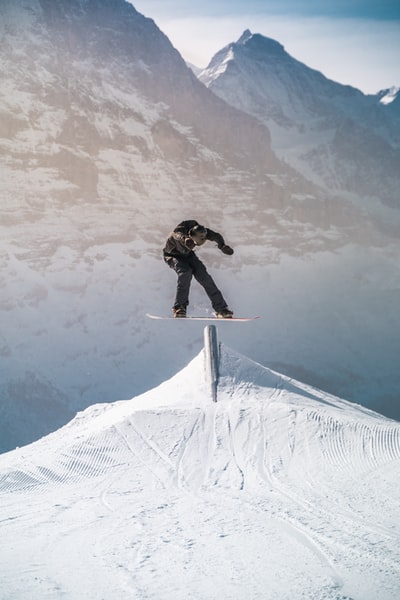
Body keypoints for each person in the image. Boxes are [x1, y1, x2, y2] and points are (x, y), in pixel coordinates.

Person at [163, 220, 234, 318]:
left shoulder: (202, 232)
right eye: (194, 243)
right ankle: (179, 307)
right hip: (172, 255)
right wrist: (185, 239)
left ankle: (221, 309)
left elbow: (216, 236)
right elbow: (177, 235)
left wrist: (222, 245)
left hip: (188, 255)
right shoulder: (178, 232)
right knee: (185, 273)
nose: (195, 245)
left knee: (205, 277)